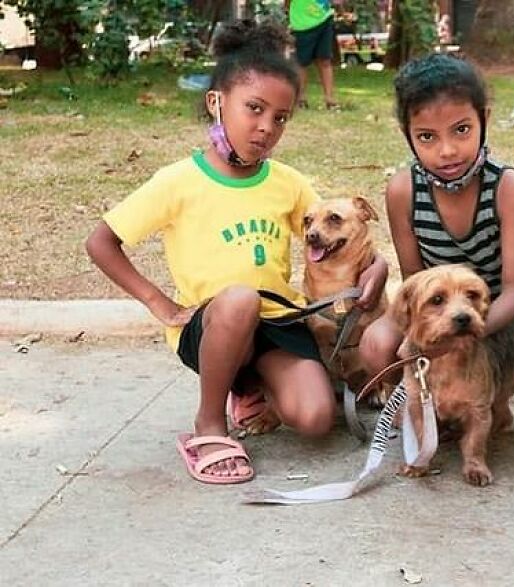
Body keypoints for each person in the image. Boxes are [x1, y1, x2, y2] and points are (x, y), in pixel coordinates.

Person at [85, 20, 387, 485]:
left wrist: (379, 266)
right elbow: (100, 242)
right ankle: (208, 422)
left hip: (277, 324)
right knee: (241, 298)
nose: (266, 127)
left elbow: (335, 227)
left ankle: (249, 385)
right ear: (216, 102)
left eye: (281, 117)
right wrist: (159, 303)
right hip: (215, 325)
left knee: (314, 418)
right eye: (254, 108)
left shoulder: (286, 182)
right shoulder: (177, 181)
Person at [359, 53, 514, 400]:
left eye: (461, 130)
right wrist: (433, 332)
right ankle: (432, 404)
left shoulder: (510, 187)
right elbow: (416, 282)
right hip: (442, 308)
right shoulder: (404, 191)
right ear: (407, 135)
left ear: (483, 119)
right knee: (376, 344)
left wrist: (466, 332)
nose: (447, 150)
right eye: (427, 137)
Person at [285, 0, 339, 110]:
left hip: (324, 18)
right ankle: (300, 98)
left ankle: (329, 98)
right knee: (302, 62)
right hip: (302, 24)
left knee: (325, 59)